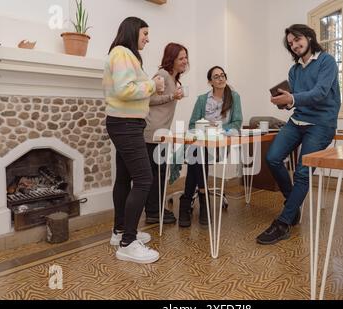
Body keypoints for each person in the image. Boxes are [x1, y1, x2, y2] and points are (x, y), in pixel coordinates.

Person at [256, 24, 341, 245]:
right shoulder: (294, 71)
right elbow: (295, 99)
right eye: (290, 43)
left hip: (321, 123)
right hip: (297, 121)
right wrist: (282, 102)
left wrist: (291, 99)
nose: (294, 45)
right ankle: (292, 205)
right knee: (272, 158)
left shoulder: (326, 61)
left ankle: (283, 222)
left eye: (297, 39)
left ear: (309, 37)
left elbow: (320, 93)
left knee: (303, 172)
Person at [103, 17, 165, 263]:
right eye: (145, 33)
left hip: (125, 123)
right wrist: (153, 84)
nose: (148, 39)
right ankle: (128, 242)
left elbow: (127, 90)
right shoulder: (122, 53)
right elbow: (124, 89)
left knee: (125, 177)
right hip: (126, 124)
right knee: (144, 178)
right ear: (133, 31)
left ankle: (120, 232)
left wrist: (152, 87)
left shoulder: (122, 54)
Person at [178, 66, 243, 227]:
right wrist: (205, 128)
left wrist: (219, 129)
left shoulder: (234, 97)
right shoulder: (202, 99)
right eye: (216, 77)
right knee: (198, 153)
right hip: (201, 144)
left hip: (219, 145)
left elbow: (237, 122)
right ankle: (202, 198)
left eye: (222, 75)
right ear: (210, 82)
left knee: (197, 155)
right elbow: (193, 124)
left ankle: (186, 202)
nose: (221, 79)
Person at [144, 43, 189, 224]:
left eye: (186, 57)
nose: (185, 61)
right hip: (152, 132)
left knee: (159, 174)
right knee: (156, 174)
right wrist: (172, 96)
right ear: (172, 59)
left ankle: (156, 210)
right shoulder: (162, 75)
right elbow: (148, 99)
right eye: (181, 58)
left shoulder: (173, 78)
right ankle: (154, 212)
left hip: (162, 132)